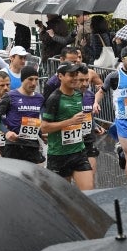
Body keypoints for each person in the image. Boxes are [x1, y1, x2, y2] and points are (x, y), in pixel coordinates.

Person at [94, 45, 127, 194]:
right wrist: (95, 103)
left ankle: (121, 152)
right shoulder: (114, 77)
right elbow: (101, 92)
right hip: (123, 122)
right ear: (122, 59)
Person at [41, 62, 93, 190]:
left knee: (89, 192)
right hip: (59, 155)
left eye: (76, 75)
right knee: (63, 197)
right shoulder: (54, 98)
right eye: (71, 75)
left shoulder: (79, 94)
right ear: (60, 76)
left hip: (79, 152)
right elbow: (44, 127)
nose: (75, 78)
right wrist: (70, 121)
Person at [0, 65, 44, 164]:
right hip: (14, 145)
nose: (34, 83)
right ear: (22, 80)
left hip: (32, 145)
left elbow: (39, 120)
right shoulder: (10, 96)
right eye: (30, 79)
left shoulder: (40, 98)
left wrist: (42, 134)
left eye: (36, 79)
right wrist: (6, 132)